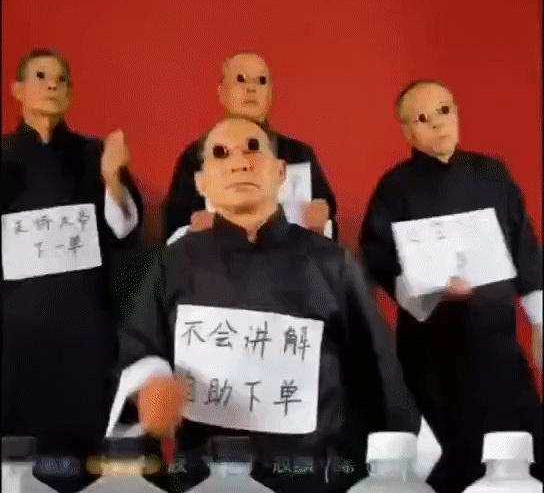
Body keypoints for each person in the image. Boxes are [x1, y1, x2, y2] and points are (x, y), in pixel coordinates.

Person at [106, 117, 419, 493]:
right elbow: (138, 346)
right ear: (201, 182)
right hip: (207, 479)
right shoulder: (175, 262)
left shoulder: (331, 264)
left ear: (281, 172)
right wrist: (150, 386)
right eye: (221, 153)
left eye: (253, 148)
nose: (239, 162)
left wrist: (393, 469)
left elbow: (380, 375)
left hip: (314, 477)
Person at [359, 79, 542, 493]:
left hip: (496, 341)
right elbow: (378, 255)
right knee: (450, 458)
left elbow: (524, 244)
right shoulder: (395, 187)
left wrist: (540, 321)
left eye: (444, 111)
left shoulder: (492, 173)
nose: (438, 124)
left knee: (521, 450)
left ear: (457, 112)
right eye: (422, 118)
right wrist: (427, 287)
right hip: (431, 350)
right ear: (407, 131)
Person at [1, 48, 144, 492]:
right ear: (17, 90)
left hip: (85, 323)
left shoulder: (93, 153)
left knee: (86, 458)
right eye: (41, 76)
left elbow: (125, 229)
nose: (52, 85)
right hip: (16, 327)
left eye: (61, 79)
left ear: (70, 94)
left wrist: (112, 178)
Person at [163, 51, 338, 243]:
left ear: (270, 95)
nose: (251, 88)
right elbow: (173, 230)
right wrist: (193, 229)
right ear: (222, 93)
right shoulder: (196, 157)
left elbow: (328, 224)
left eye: (261, 81)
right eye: (241, 79)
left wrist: (323, 219)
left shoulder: (298, 154)